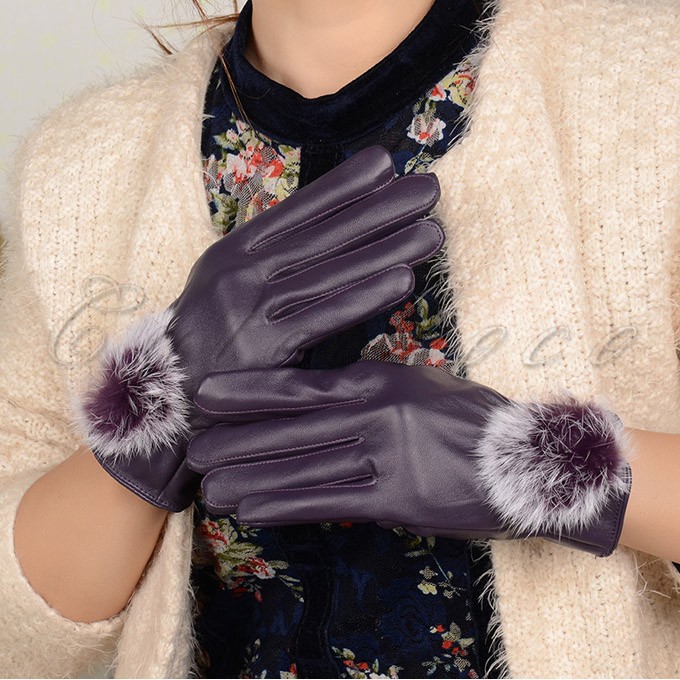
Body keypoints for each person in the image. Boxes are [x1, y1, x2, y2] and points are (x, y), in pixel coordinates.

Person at [2, 0, 680, 677]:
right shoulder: (77, 166)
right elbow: (18, 633)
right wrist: (146, 424)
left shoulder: (652, 82)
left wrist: (549, 469)